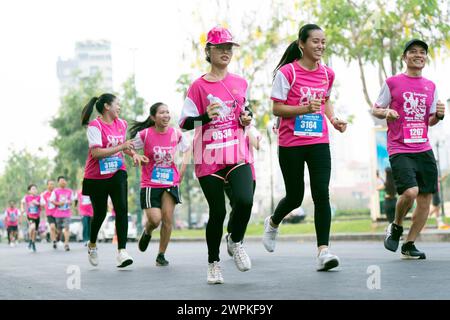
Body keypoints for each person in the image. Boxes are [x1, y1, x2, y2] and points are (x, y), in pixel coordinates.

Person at [262, 24, 347, 271]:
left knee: (322, 193)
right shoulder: (287, 73)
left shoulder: (327, 74)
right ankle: (274, 221)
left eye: (323, 42)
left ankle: (324, 251)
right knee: (295, 196)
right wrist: (303, 109)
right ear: (302, 44)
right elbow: (277, 108)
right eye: (315, 41)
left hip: (318, 141)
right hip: (291, 143)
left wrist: (333, 120)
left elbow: (325, 100)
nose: (320, 46)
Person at [179, 26, 254, 284]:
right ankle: (213, 263)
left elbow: (246, 113)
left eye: (229, 48)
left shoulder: (241, 82)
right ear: (208, 51)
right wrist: (204, 117)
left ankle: (235, 239)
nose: (225, 52)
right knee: (218, 212)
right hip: (208, 156)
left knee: (245, 200)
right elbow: (184, 123)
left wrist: (247, 118)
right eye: (220, 47)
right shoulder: (198, 86)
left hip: (235, 151)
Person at [372, 39, 446, 259]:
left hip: (423, 148)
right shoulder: (393, 82)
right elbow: (376, 109)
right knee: (410, 192)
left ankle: (409, 244)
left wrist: (439, 115)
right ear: (404, 57)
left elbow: (429, 121)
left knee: (425, 199)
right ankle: (395, 226)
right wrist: (387, 113)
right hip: (399, 147)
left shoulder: (430, 86)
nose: (418, 55)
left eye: (422, 52)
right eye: (413, 52)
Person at [81, 93, 147, 268]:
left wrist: (134, 154)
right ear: (107, 107)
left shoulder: (121, 123)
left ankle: (122, 251)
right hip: (96, 176)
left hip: (118, 171)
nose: (120, 107)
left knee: (122, 208)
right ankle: (92, 244)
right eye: (117, 104)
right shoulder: (95, 126)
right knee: (100, 213)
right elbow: (96, 153)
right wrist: (122, 146)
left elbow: (123, 146)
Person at [130, 102, 190, 266]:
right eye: (162, 113)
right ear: (153, 117)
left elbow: (187, 150)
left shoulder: (176, 134)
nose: (166, 115)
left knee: (167, 219)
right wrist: (135, 155)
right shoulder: (145, 134)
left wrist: (182, 170)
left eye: (167, 112)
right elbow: (127, 147)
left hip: (171, 181)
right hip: (150, 183)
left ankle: (161, 255)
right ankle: (148, 231)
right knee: (155, 220)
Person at [224, 124, 261, 256]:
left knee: (246, 205)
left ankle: (237, 241)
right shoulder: (226, 126)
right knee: (236, 203)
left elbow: (256, 144)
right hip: (227, 172)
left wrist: (247, 128)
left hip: (247, 173)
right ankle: (232, 234)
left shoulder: (250, 127)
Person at [50, 176, 75, 251]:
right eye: (61, 181)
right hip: (58, 213)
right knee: (58, 230)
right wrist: (58, 203)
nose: (63, 182)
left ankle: (66, 244)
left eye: (64, 181)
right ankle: (57, 238)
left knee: (67, 228)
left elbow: (72, 201)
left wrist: (69, 202)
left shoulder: (69, 191)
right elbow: (51, 200)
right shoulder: (55, 191)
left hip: (66, 213)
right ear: (58, 183)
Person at [21, 184, 42, 252]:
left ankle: (32, 242)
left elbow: (43, 206)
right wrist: (22, 209)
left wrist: (37, 204)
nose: (34, 190)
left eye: (35, 189)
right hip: (30, 215)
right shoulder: (26, 197)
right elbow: (22, 203)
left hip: (37, 216)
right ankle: (30, 240)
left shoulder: (39, 197)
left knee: (35, 232)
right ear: (29, 191)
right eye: (33, 189)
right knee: (32, 227)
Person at [40, 179, 57, 249]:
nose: (52, 185)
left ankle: (56, 237)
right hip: (49, 213)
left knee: (58, 228)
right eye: (50, 184)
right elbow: (42, 204)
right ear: (47, 185)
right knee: (52, 227)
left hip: (58, 213)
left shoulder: (57, 192)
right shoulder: (44, 194)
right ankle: (54, 241)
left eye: (53, 184)